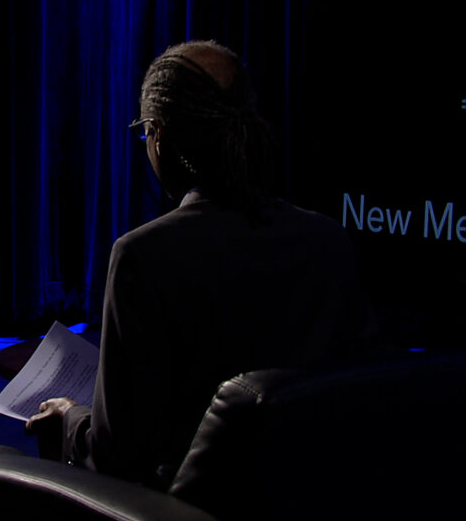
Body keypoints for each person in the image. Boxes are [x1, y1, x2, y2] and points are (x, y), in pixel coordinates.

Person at [26, 40, 375, 490]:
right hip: (310, 514)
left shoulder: (143, 256)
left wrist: (70, 417)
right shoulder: (328, 240)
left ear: (158, 135)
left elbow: (116, 461)